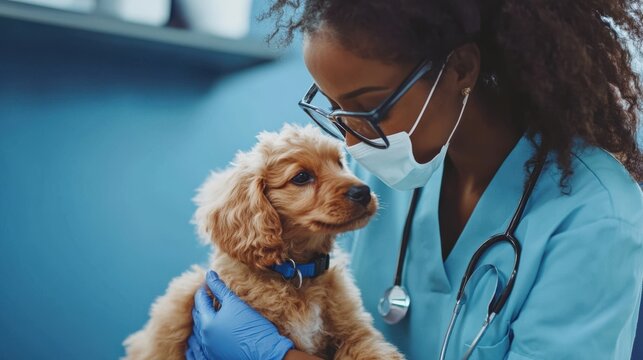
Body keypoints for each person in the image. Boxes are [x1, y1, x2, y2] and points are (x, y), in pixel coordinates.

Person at [185, 1, 643, 359]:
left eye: (371, 107)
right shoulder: (370, 175)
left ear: (461, 69)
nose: (350, 138)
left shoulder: (595, 218)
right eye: (335, 108)